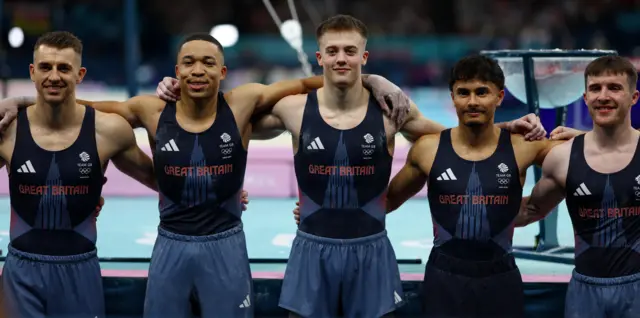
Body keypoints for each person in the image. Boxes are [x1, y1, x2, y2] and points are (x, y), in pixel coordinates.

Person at [156, 16, 545, 318]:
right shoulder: (291, 111)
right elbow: (217, 125)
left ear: (364, 57)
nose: (341, 57)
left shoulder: (391, 110)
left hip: (371, 248)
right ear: (319, 57)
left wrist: (501, 128)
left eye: (350, 50)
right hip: (311, 248)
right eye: (333, 50)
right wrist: (174, 93)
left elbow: (455, 138)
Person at [0, 32, 411, 317]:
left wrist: (372, 79)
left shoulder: (244, 101)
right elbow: (87, 105)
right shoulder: (151, 109)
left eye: (208, 63)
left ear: (223, 71)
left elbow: (309, 82)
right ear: (176, 71)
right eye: (189, 63)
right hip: (171, 246)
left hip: (225, 246)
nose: (198, 70)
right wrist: (24, 98)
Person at [290, 53, 563, 317]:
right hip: (444, 279)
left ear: (499, 96)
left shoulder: (527, 148)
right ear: (452, 98)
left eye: (482, 92)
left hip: (501, 278)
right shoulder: (427, 150)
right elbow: (384, 202)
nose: (472, 102)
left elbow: (589, 159)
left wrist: (576, 134)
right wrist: (326, 214)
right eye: (464, 93)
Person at [0, 31, 157, 318]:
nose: (54, 76)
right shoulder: (8, 130)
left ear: (80, 74)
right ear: (33, 72)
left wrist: (223, 192)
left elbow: (161, 180)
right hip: (21, 272)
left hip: (79, 270)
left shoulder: (108, 131)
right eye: (46, 68)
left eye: (64, 68)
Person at [515, 55, 640, 318]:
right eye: (595, 88)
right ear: (585, 98)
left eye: (614, 88)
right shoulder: (563, 158)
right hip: (585, 293)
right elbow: (529, 212)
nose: (603, 96)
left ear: (634, 97)